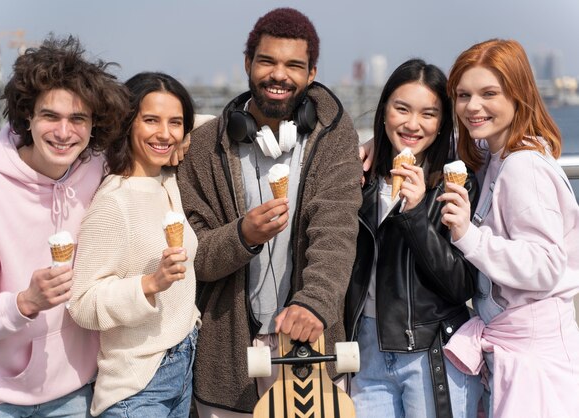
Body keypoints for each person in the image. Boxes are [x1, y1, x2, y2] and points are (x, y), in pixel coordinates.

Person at [176, 7, 363, 416]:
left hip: (311, 346)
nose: (279, 74)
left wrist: (314, 303)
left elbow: (336, 229)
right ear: (247, 63)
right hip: (227, 355)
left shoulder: (334, 136)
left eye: (294, 65)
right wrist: (242, 236)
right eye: (267, 61)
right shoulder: (204, 146)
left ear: (311, 73)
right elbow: (196, 256)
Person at [0, 36, 129, 417]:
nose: (64, 133)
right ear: (27, 117)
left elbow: (156, 133)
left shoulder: (99, 168)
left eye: (77, 119)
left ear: (93, 125)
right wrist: (24, 303)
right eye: (50, 116)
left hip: (75, 393)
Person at [440, 39, 579, 417]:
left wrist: (468, 236)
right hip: (519, 346)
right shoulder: (496, 154)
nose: (473, 106)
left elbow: (546, 264)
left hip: (535, 359)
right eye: (463, 95)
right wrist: (379, 142)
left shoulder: (523, 167)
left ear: (518, 95)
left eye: (489, 93)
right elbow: (448, 141)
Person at [345, 59, 483, 418]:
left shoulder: (456, 184)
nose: (412, 124)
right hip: (367, 351)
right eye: (401, 109)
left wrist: (417, 212)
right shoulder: (361, 177)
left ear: (442, 124)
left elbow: (460, 285)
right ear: (384, 111)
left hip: (433, 352)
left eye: (428, 114)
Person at [68, 72, 202, 418]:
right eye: (151, 120)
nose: (164, 132)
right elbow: (82, 303)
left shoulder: (167, 181)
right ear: (128, 123)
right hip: (137, 386)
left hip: (182, 366)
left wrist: (180, 137)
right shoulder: (113, 202)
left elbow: (211, 124)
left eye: (175, 122)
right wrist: (149, 285)